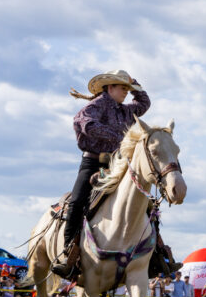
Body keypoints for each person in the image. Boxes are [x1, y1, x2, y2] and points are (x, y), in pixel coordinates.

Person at [52, 70, 151, 279]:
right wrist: (120, 138)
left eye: (127, 89)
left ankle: (157, 254)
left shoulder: (126, 111)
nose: (126, 92)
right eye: (123, 88)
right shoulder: (96, 105)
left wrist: (136, 84)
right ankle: (68, 253)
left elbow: (144, 104)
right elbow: (84, 122)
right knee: (78, 202)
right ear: (110, 87)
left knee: (146, 203)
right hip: (93, 162)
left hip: (118, 165)